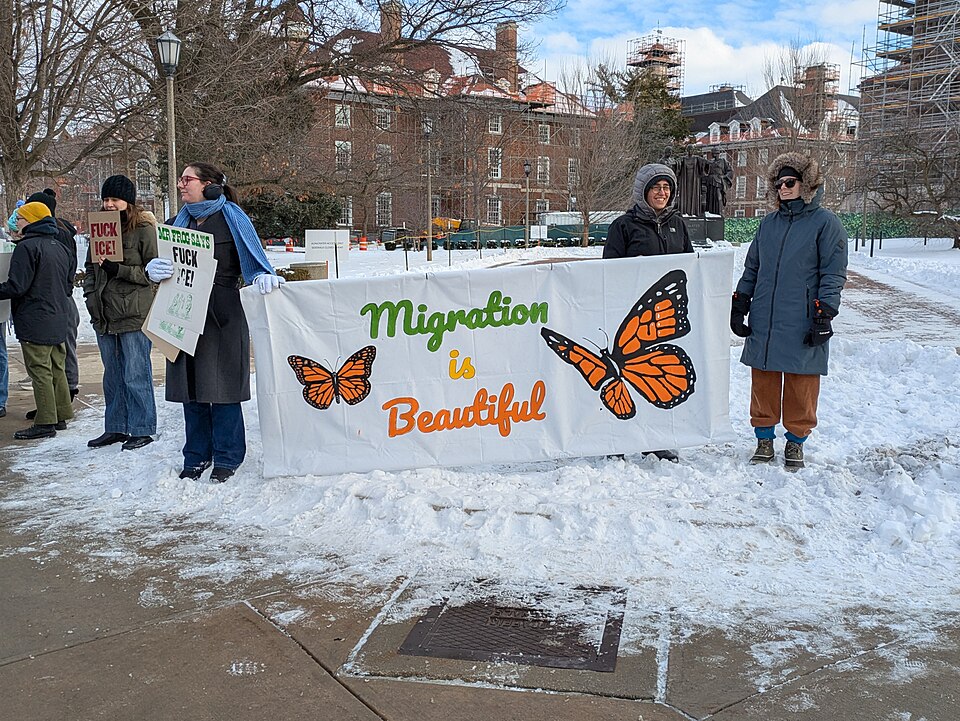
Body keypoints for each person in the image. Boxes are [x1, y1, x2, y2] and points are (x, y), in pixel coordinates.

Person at [146, 162, 285, 483]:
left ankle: (227, 455)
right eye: (180, 179)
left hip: (222, 313)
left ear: (210, 186)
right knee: (190, 388)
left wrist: (262, 274)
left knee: (222, 387)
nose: (181, 185)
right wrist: (151, 270)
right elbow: (162, 262)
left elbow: (254, 258)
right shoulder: (175, 225)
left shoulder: (233, 219)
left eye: (187, 180)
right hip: (182, 309)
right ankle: (196, 455)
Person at [730, 152, 848, 469]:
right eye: (778, 182)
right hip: (766, 316)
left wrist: (825, 312)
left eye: (790, 181)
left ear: (805, 183)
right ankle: (764, 439)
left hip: (804, 316)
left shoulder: (826, 224)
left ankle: (795, 442)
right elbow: (752, 266)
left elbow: (833, 273)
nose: (783, 187)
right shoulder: (768, 224)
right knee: (764, 379)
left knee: (801, 381)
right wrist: (740, 300)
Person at [603, 163, 693, 462]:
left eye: (666, 187)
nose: (662, 192)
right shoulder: (623, 226)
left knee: (655, 376)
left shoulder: (677, 224)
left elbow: (689, 266)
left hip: (662, 320)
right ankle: (616, 439)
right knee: (617, 377)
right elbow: (608, 272)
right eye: (656, 187)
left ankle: (654, 437)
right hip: (629, 316)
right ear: (643, 191)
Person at [83, 175, 159, 450]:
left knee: (135, 373)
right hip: (104, 313)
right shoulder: (99, 230)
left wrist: (119, 270)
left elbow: (154, 273)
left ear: (128, 200)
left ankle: (142, 427)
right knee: (112, 376)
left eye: (114, 199)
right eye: (106, 199)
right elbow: (91, 268)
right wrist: (91, 296)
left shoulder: (143, 229)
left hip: (133, 312)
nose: (109, 204)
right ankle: (115, 426)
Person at [0, 202, 74, 439]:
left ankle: (45, 421)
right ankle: (61, 414)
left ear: (31, 220)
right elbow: (67, 283)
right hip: (58, 316)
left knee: (39, 371)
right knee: (56, 368)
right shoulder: (60, 246)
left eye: (20, 218)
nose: (17, 223)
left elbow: (17, 286)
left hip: (35, 318)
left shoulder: (27, 247)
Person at [23, 188, 81, 419]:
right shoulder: (63, 230)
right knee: (60, 352)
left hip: (54, 300)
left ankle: (56, 404)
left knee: (55, 355)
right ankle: (58, 403)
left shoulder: (53, 235)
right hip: (62, 297)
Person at [676, 144, 709, 217]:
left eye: (692, 150)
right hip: (685, 180)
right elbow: (677, 164)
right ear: (687, 150)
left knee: (694, 194)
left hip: (694, 180)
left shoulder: (697, 158)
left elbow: (706, 163)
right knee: (685, 195)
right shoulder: (683, 158)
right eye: (689, 150)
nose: (691, 151)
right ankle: (684, 211)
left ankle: (693, 211)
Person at [704, 148, 733, 216]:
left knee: (718, 197)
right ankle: (710, 213)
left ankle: (718, 212)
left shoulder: (723, 161)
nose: (714, 155)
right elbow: (705, 171)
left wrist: (724, 176)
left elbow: (730, 171)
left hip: (718, 182)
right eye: (713, 153)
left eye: (715, 153)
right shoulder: (710, 162)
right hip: (710, 182)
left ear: (718, 154)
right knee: (710, 198)